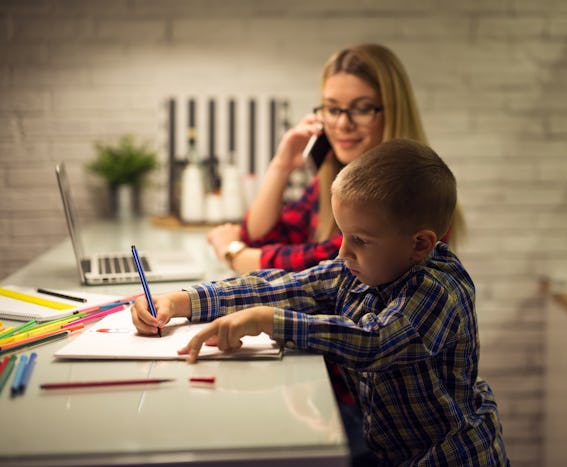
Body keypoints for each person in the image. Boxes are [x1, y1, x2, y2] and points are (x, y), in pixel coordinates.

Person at [132, 139, 509, 466]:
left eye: (360, 239)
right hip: (394, 454)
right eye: (343, 234)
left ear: (420, 244)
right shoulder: (363, 268)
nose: (343, 251)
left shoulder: (438, 289)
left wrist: (269, 321)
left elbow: (372, 342)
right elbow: (282, 286)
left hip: (452, 457)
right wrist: (183, 301)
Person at [207, 43, 430, 274]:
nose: (343, 124)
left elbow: (326, 264)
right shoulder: (333, 181)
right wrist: (281, 166)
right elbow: (260, 238)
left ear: (393, 113)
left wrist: (232, 252)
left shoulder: (410, 190)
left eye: (362, 109)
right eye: (333, 110)